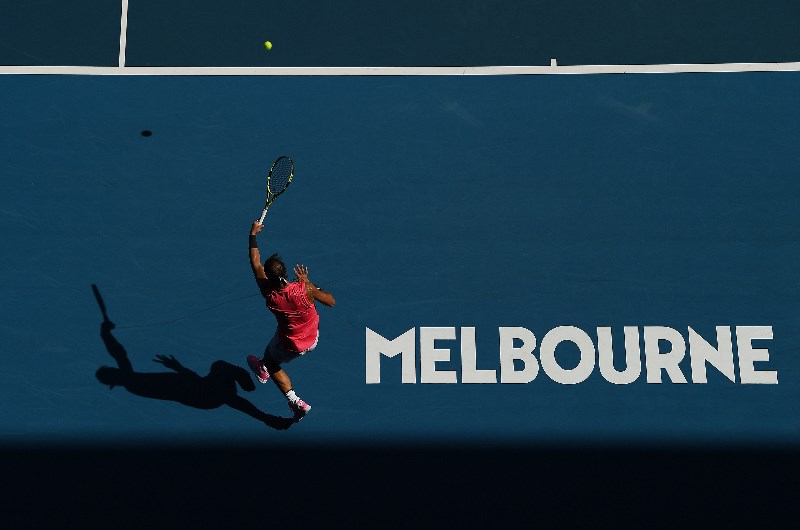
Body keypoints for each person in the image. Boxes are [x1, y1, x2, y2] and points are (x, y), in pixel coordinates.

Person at [246, 220, 335, 422]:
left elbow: (255, 263)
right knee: (271, 348)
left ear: (268, 277)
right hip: (312, 339)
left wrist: (253, 234)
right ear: (285, 272)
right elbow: (331, 301)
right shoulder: (306, 289)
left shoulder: (267, 293)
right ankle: (265, 365)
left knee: (270, 362)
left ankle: (295, 402)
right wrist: (308, 283)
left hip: (291, 343)